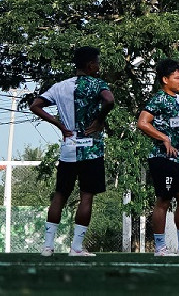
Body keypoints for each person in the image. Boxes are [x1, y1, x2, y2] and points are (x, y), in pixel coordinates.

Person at [30, 46, 115, 256]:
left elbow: (36, 105)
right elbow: (110, 100)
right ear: (90, 65)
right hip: (91, 148)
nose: (99, 66)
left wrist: (60, 125)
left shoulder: (59, 87)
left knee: (60, 195)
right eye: (97, 62)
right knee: (87, 196)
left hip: (68, 147)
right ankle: (76, 247)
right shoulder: (97, 84)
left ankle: (47, 247)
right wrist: (99, 120)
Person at [137, 59, 179, 256]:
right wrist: (163, 138)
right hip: (162, 158)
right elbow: (142, 122)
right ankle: (160, 248)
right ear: (165, 79)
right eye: (177, 77)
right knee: (164, 200)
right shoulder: (159, 99)